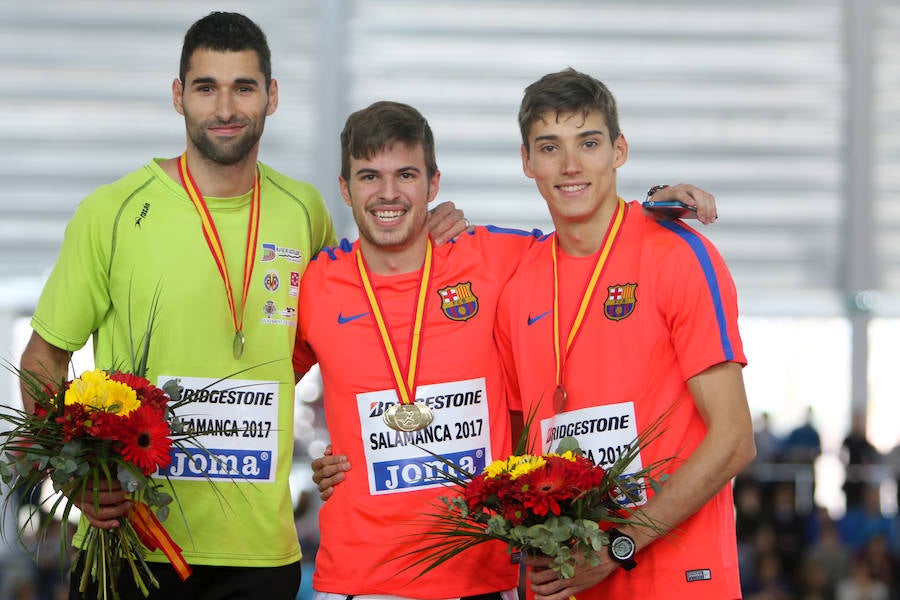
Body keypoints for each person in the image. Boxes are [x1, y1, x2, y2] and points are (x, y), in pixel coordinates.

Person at [17, 12, 464, 600]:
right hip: (132, 543)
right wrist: (75, 478)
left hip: (261, 556)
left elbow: (355, 328)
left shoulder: (304, 212)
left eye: (243, 87)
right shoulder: (114, 211)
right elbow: (43, 358)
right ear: (179, 95)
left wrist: (419, 235)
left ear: (271, 96)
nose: (225, 107)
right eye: (206, 87)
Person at [296, 102, 717, 599]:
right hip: (358, 583)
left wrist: (652, 208)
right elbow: (260, 377)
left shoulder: (497, 258)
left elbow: (590, 235)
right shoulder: (316, 284)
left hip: (485, 582)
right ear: (344, 189)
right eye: (369, 177)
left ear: (433, 186)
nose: (388, 194)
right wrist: (325, 462)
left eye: (405, 175)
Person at [493, 68, 755, 599]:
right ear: (527, 162)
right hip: (569, 583)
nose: (570, 166)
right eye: (550, 147)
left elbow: (733, 439)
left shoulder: (678, 256)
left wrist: (619, 545)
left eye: (588, 143)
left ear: (619, 150)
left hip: (678, 579)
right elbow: (520, 448)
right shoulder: (518, 285)